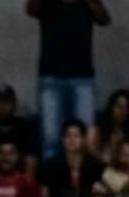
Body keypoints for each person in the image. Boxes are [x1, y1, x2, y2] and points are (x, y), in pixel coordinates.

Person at [32, 0, 111, 158]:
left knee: (86, 138)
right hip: (51, 76)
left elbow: (104, 19)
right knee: (51, 138)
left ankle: (84, 179)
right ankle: (52, 179)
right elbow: (31, 9)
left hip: (82, 77)